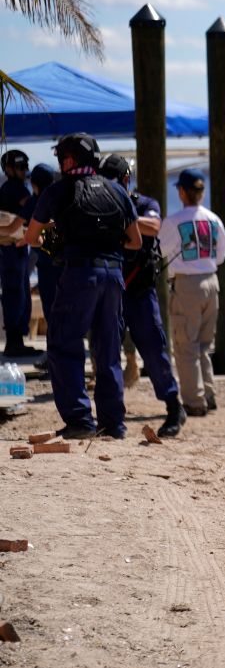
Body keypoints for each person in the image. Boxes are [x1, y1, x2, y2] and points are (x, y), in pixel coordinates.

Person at [22, 133, 141, 439]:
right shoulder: (117, 191)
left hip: (79, 274)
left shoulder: (56, 192)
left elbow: (31, 237)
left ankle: (80, 420)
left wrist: (54, 238)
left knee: (64, 346)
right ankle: (113, 424)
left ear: (69, 159)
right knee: (108, 349)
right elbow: (135, 241)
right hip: (113, 276)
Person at [98, 155, 186, 437]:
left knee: (152, 348)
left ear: (126, 180)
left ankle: (174, 406)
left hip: (139, 290)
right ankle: (111, 419)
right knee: (106, 353)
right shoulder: (96, 207)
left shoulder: (143, 204)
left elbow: (154, 226)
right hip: (110, 289)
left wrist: (122, 215)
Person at [158, 169, 225, 417]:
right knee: (204, 345)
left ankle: (194, 402)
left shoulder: (174, 221)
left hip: (188, 285)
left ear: (183, 192)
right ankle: (208, 393)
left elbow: (160, 249)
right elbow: (221, 254)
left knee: (185, 345)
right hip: (211, 282)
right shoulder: (213, 219)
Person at [0, 149, 39, 358]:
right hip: (12, 250)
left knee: (18, 293)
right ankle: (14, 343)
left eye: (25, 166)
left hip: (14, 249)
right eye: (20, 167)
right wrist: (40, 194)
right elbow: (30, 209)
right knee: (16, 293)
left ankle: (16, 342)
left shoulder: (11, 187)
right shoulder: (14, 189)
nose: (24, 171)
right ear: (8, 169)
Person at [25, 163, 60, 368]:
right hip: (65, 266)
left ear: (34, 184)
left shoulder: (36, 203)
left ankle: (53, 358)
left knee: (51, 313)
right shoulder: (59, 200)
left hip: (47, 267)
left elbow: (26, 232)